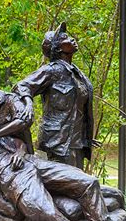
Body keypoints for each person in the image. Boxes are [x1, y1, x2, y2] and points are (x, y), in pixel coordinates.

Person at [0, 62, 125, 221]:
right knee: (40, 206)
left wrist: (15, 147)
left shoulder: (13, 101)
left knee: (88, 182)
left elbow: (25, 121)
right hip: (12, 170)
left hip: (30, 161)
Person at [13, 22, 100, 169]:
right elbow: (21, 86)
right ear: (58, 48)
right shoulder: (51, 71)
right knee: (63, 187)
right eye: (65, 38)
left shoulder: (78, 74)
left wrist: (86, 137)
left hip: (76, 143)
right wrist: (28, 103)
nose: (72, 39)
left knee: (78, 187)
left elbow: (79, 110)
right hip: (56, 143)